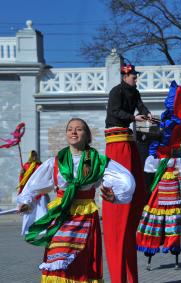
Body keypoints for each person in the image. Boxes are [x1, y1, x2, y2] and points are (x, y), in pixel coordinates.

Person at [17, 118, 135, 283]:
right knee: (56, 258)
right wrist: (26, 202)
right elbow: (34, 187)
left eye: (79, 129)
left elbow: (124, 180)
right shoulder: (56, 162)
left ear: (87, 136)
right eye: (70, 129)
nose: (73, 132)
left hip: (84, 215)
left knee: (78, 262)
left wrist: (116, 196)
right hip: (61, 214)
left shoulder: (97, 162)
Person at [104, 63, 151, 282]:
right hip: (116, 138)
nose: (135, 78)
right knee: (123, 185)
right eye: (133, 75)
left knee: (139, 188)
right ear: (124, 75)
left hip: (128, 139)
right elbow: (114, 112)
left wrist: (147, 115)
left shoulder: (135, 92)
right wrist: (134, 118)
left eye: (135, 75)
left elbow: (140, 106)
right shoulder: (116, 91)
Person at [136, 156, 181, 270]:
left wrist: (178, 171)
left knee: (173, 223)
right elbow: (149, 168)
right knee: (154, 222)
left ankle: (173, 248)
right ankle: (150, 251)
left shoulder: (177, 158)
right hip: (159, 191)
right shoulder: (157, 157)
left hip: (173, 192)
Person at [17, 150, 50, 235]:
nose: (34, 157)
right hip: (35, 192)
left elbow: (44, 176)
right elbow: (23, 180)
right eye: (34, 156)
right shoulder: (30, 166)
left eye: (34, 156)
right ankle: (34, 229)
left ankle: (38, 228)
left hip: (36, 192)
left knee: (38, 211)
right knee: (33, 211)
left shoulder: (36, 165)